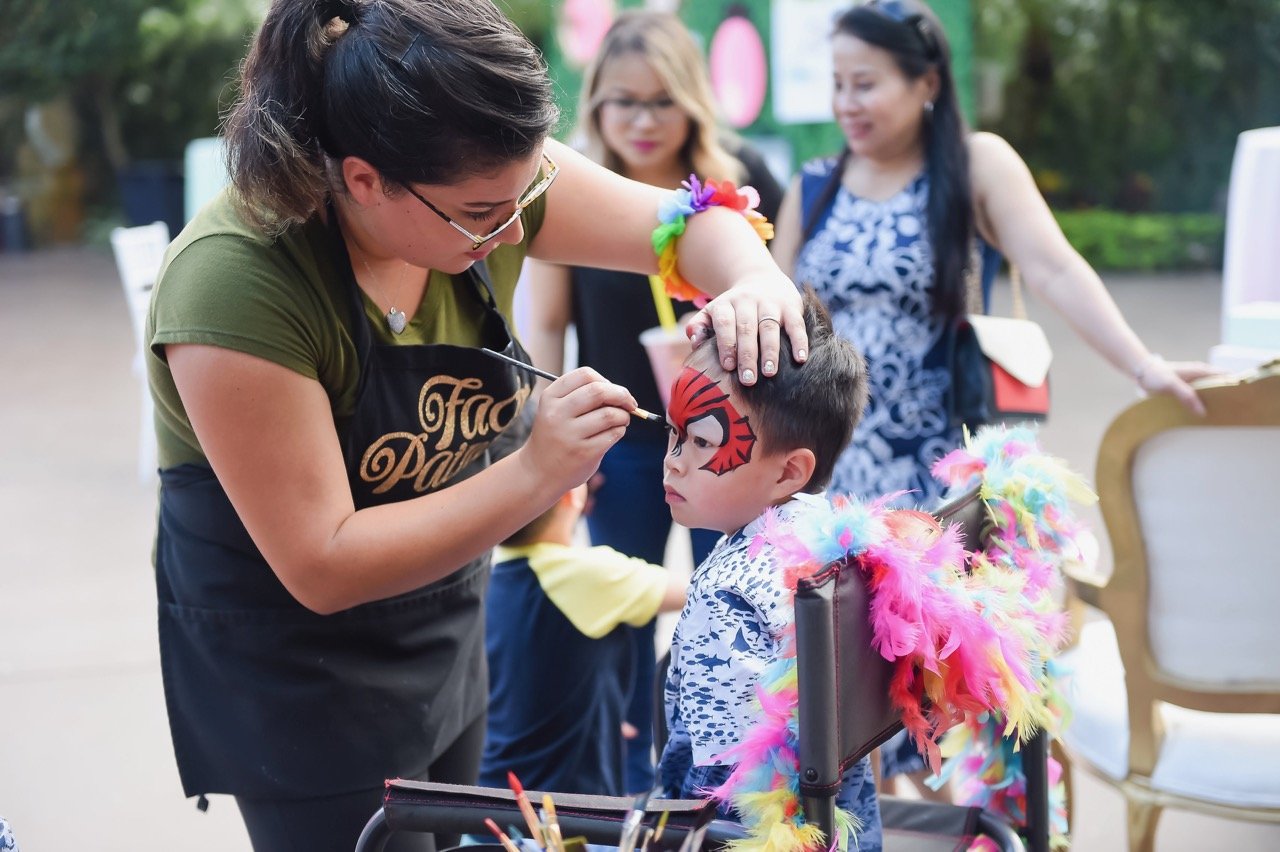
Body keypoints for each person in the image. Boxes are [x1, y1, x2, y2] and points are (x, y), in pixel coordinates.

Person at [144, 1, 808, 850]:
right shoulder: (235, 281)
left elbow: (683, 223)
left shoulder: (488, 180)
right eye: (486, 214)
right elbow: (322, 561)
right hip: (295, 682)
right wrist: (535, 471)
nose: (514, 227)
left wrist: (754, 278)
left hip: (445, 635)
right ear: (362, 179)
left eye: (524, 197)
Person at [767, 0, 1217, 800]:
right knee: (852, 704)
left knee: (953, 697)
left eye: (866, 83)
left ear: (927, 82)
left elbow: (1053, 267)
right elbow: (778, 311)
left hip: (944, 486)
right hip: (842, 485)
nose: (847, 104)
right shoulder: (816, 184)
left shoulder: (975, 165)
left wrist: (1143, 366)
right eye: (837, 84)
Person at [521, 10, 785, 794]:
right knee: (624, 607)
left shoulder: (737, 192)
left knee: (730, 605)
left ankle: (724, 774)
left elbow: (779, 308)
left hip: (726, 442)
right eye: (620, 101)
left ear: (694, 102)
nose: (640, 120)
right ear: (595, 103)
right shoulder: (568, 193)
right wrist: (548, 446)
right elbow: (544, 324)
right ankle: (638, 784)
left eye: (660, 101)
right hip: (621, 439)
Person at [657, 289, 881, 849]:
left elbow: (720, 791)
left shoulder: (725, 594)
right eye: (672, 431)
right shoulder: (839, 542)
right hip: (849, 829)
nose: (673, 460)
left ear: (789, 473)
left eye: (703, 441)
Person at [480, 472, 687, 796]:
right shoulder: (586, 575)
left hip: (492, 791)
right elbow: (700, 591)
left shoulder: (495, 571)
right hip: (565, 809)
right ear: (570, 496)